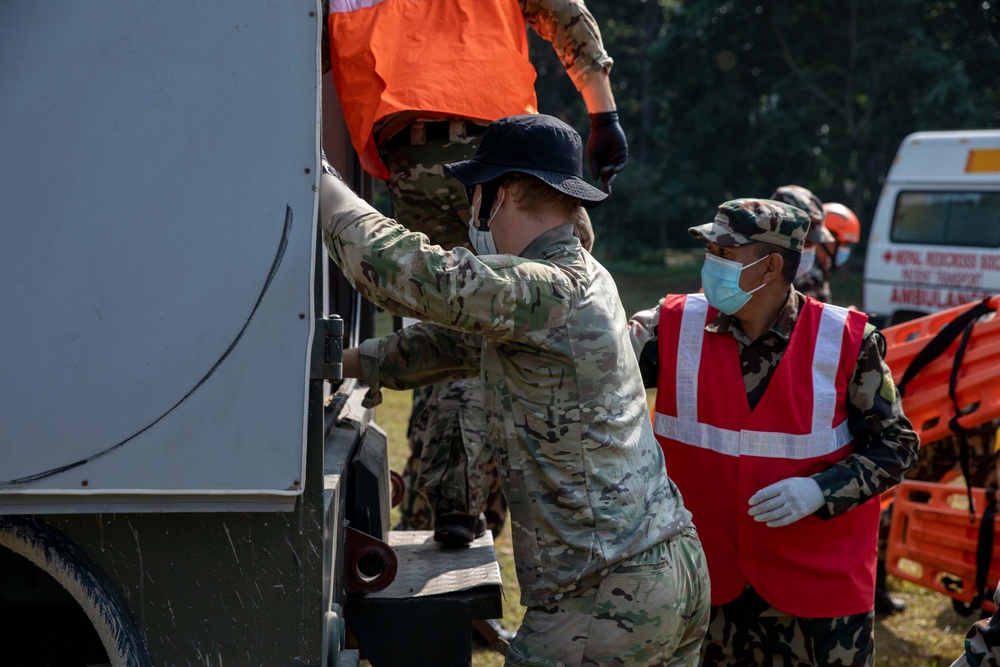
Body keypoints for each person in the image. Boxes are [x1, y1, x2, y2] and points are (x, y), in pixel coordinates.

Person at [320, 113, 709, 665]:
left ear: (497, 194)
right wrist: (349, 362)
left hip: (604, 593)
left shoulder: (548, 288)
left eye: (474, 192)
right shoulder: (583, 277)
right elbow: (455, 345)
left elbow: (408, 271)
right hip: (667, 569)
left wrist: (320, 181)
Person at [325, 0, 628, 547]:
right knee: (481, 317)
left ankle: (447, 504)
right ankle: (459, 505)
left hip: (411, 138)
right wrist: (602, 111)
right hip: (499, 140)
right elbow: (565, 14)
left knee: (464, 309)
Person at [628, 199, 919, 666]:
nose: (712, 265)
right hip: (705, 583)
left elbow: (897, 447)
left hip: (816, 595)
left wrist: (820, 491)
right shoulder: (676, 325)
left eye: (726, 253)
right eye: (710, 251)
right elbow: (600, 386)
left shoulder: (846, 340)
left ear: (772, 266)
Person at [770, 185, 837, 303]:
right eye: (803, 243)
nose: (810, 249)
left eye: (812, 243)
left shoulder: (814, 277)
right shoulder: (750, 276)